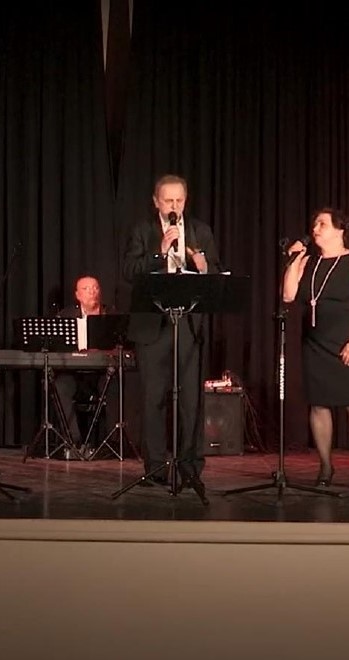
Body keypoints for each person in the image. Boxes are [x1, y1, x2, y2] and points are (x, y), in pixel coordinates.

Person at [122, 174, 219, 489]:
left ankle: (190, 466)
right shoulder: (142, 230)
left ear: (185, 201)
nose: (174, 206)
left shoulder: (200, 230)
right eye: (168, 200)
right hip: (153, 325)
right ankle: (155, 467)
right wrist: (159, 254)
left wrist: (205, 268)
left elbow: (217, 274)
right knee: (153, 399)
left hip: (189, 325)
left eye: (179, 200)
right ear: (156, 202)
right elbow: (129, 272)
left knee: (190, 400)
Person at [281, 208, 349, 489]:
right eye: (314, 224)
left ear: (340, 230)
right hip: (315, 345)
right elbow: (288, 295)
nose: (315, 229)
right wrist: (294, 261)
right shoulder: (308, 262)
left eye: (322, 224)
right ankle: (325, 466)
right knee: (319, 404)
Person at [53, 275, 115, 454]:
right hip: (74, 372)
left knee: (116, 386)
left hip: (102, 372)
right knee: (60, 386)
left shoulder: (110, 314)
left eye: (95, 288)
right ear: (77, 295)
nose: (92, 292)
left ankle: (112, 442)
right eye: (86, 289)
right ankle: (74, 441)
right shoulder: (65, 316)